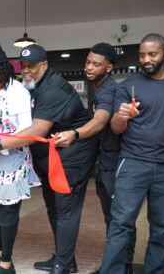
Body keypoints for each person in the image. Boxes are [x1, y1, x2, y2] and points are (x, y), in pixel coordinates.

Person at [0, 44, 99, 274]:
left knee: (65, 210)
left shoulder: (53, 89)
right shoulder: (35, 84)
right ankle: (64, 258)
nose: (26, 70)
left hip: (73, 156)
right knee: (54, 207)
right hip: (53, 156)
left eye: (31, 66)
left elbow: (38, 130)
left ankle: (63, 266)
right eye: (23, 66)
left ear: (45, 64)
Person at [100, 34, 164, 274]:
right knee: (121, 224)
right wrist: (121, 116)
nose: (146, 59)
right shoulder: (128, 86)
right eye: (142, 55)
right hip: (133, 163)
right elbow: (116, 129)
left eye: (152, 54)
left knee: (162, 228)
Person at [53, 43, 127, 274]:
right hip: (106, 161)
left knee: (116, 220)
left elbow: (101, 121)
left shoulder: (107, 90)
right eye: (88, 62)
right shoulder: (100, 87)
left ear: (109, 67)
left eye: (96, 64)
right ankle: (115, 266)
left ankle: (120, 268)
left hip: (114, 163)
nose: (89, 67)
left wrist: (75, 134)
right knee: (112, 218)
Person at [0, 39, 40, 274]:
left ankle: (7, 263)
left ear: (3, 68)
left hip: (12, 158)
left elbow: (27, 132)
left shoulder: (18, 92)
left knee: (8, 210)